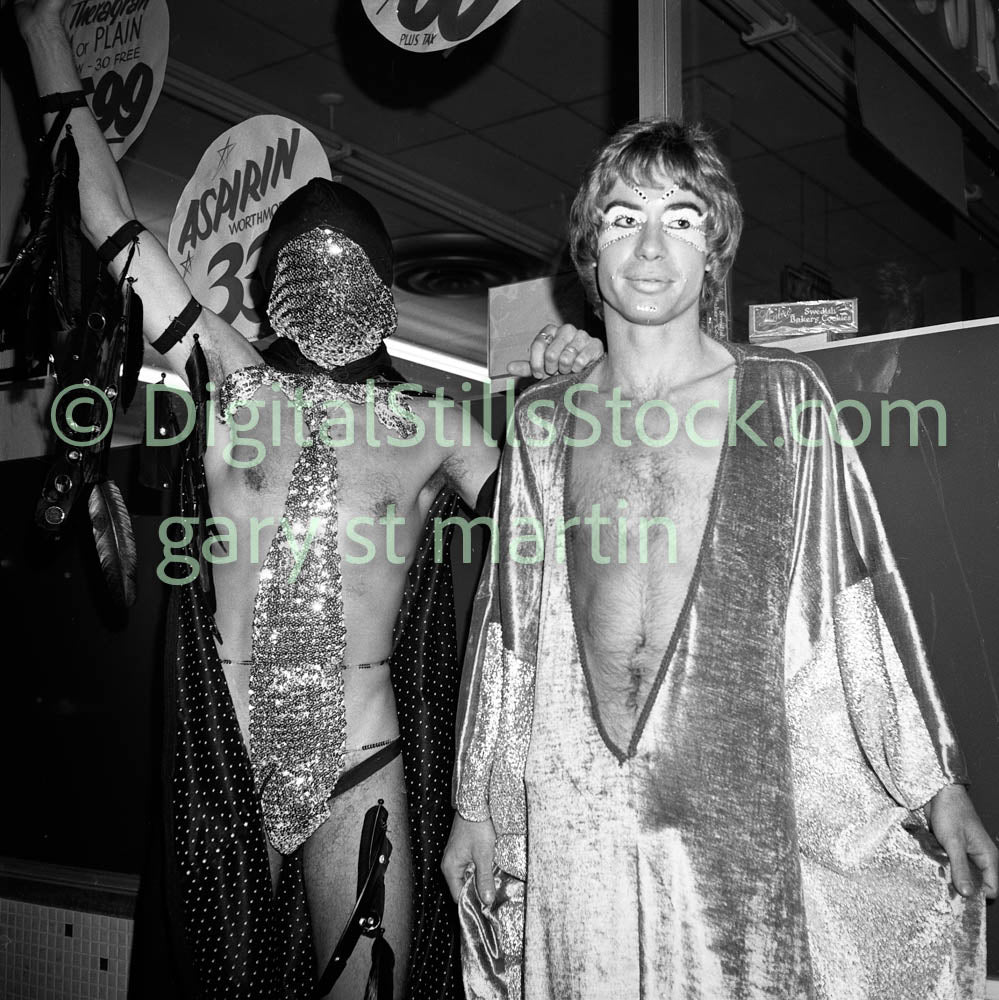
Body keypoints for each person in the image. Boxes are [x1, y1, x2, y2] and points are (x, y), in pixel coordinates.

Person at [14, 3, 602, 998]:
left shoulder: (433, 427)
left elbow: (563, 538)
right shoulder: (235, 381)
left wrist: (595, 389)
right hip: (227, 760)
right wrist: (42, 42)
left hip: (360, 762)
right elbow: (108, 220)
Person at [442, 117, 998, 999]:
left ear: (715, 245)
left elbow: (859, 599)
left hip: (731, 788)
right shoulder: (544, 420)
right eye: (623, 219)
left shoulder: (785, 399)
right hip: (570, 792)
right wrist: (474, 804)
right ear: (589, 253)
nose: (652, 245)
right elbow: (506, 627)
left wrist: (936, 785)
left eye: (682, 217)